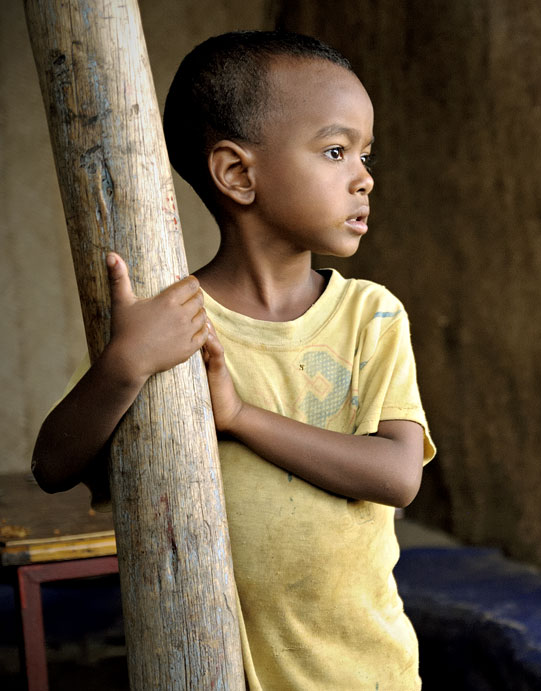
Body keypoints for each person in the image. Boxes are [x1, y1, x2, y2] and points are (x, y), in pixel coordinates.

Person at [31, 30, 435, 689]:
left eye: (365, 153)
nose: (365, 177)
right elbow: (53, 464)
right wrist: (125, 363)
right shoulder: (173, 325)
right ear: (237, 173)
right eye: (336, 150)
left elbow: (396, 474)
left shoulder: (371, 315)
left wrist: (241, 417)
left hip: (369, 672)